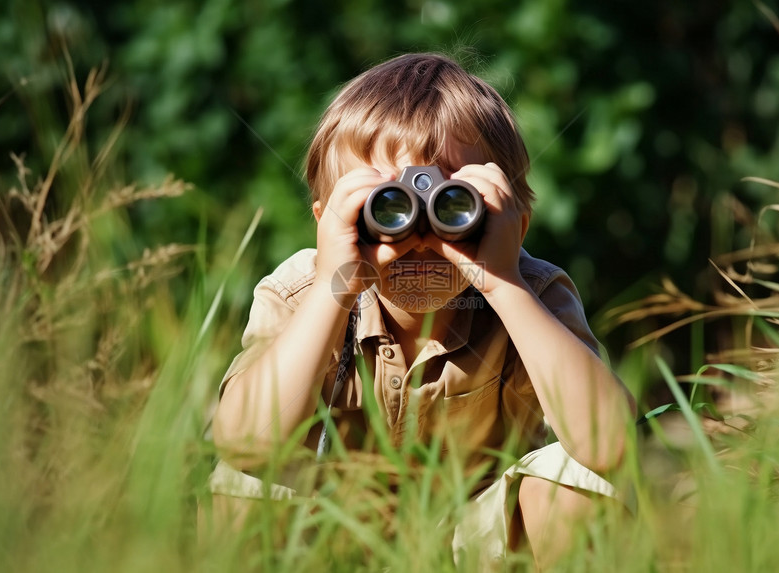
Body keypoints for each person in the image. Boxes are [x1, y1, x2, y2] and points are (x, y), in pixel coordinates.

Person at [209, 52, 636, 568]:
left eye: (453, 206)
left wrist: (501, 283)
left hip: (474, 545)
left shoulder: (530, 293)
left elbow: (609, 444)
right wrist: (334, 285)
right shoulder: (303, 291)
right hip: (335, 539)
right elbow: (244, 443)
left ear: (513, 225)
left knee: (580, 476)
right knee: (247, 480)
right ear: (326, 224)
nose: (419, 237)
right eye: (385, 206)